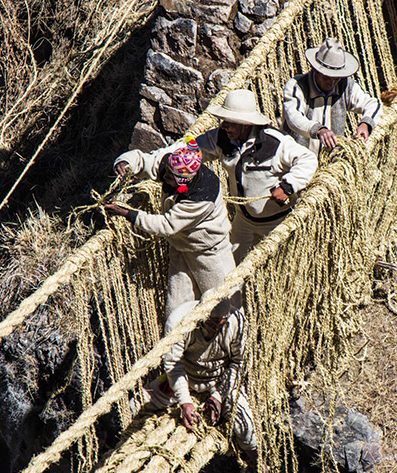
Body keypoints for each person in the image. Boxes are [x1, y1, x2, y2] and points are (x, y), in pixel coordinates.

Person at [105, 137, 235, 320]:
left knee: (223, 309)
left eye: (169, 177)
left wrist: (127, 213)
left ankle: (227, 346)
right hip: (181, 248)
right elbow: (144, 161)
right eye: (166, 172)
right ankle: (181, 347)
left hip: (210, 252)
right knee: (176, 312)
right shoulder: (171, 166)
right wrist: (126, 162)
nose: (164, 176)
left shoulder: (200, 198)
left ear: (183, 182)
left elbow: (166, 225)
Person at [130, 296, 260, 468]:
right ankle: (133, 449)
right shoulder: (179, 320)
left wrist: (219, 396)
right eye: (209, 321)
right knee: (134, 405)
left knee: (246, 429)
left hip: (219, 382)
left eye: (218, 323)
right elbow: (173, 365)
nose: (213, 327)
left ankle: (257, 462)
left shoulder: (237, 322)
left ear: (226, 318)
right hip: (185, 377)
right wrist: (185, 401)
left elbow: (238, 363)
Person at [198, 89, 318, 262]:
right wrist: (177, 152)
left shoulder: (275, 143)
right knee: (234, 270)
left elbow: (308, 159)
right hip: (243, 222)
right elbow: (192, 146)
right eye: (224, 120)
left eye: (230, 122)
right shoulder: (220, 137)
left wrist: (287, 187)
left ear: (245, 124)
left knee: (277, 270)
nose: (224, 126)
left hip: (277, 224)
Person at [282, 37, 383, 156]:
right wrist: (318, 130)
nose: (332, 83)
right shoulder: (297, 87)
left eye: (336, 78)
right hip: (295, 162)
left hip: (329, 163)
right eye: (326, 78)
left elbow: (373, 104)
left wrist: (366, 124)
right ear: (315, 70)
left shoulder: (346, 86)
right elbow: (294, 118)